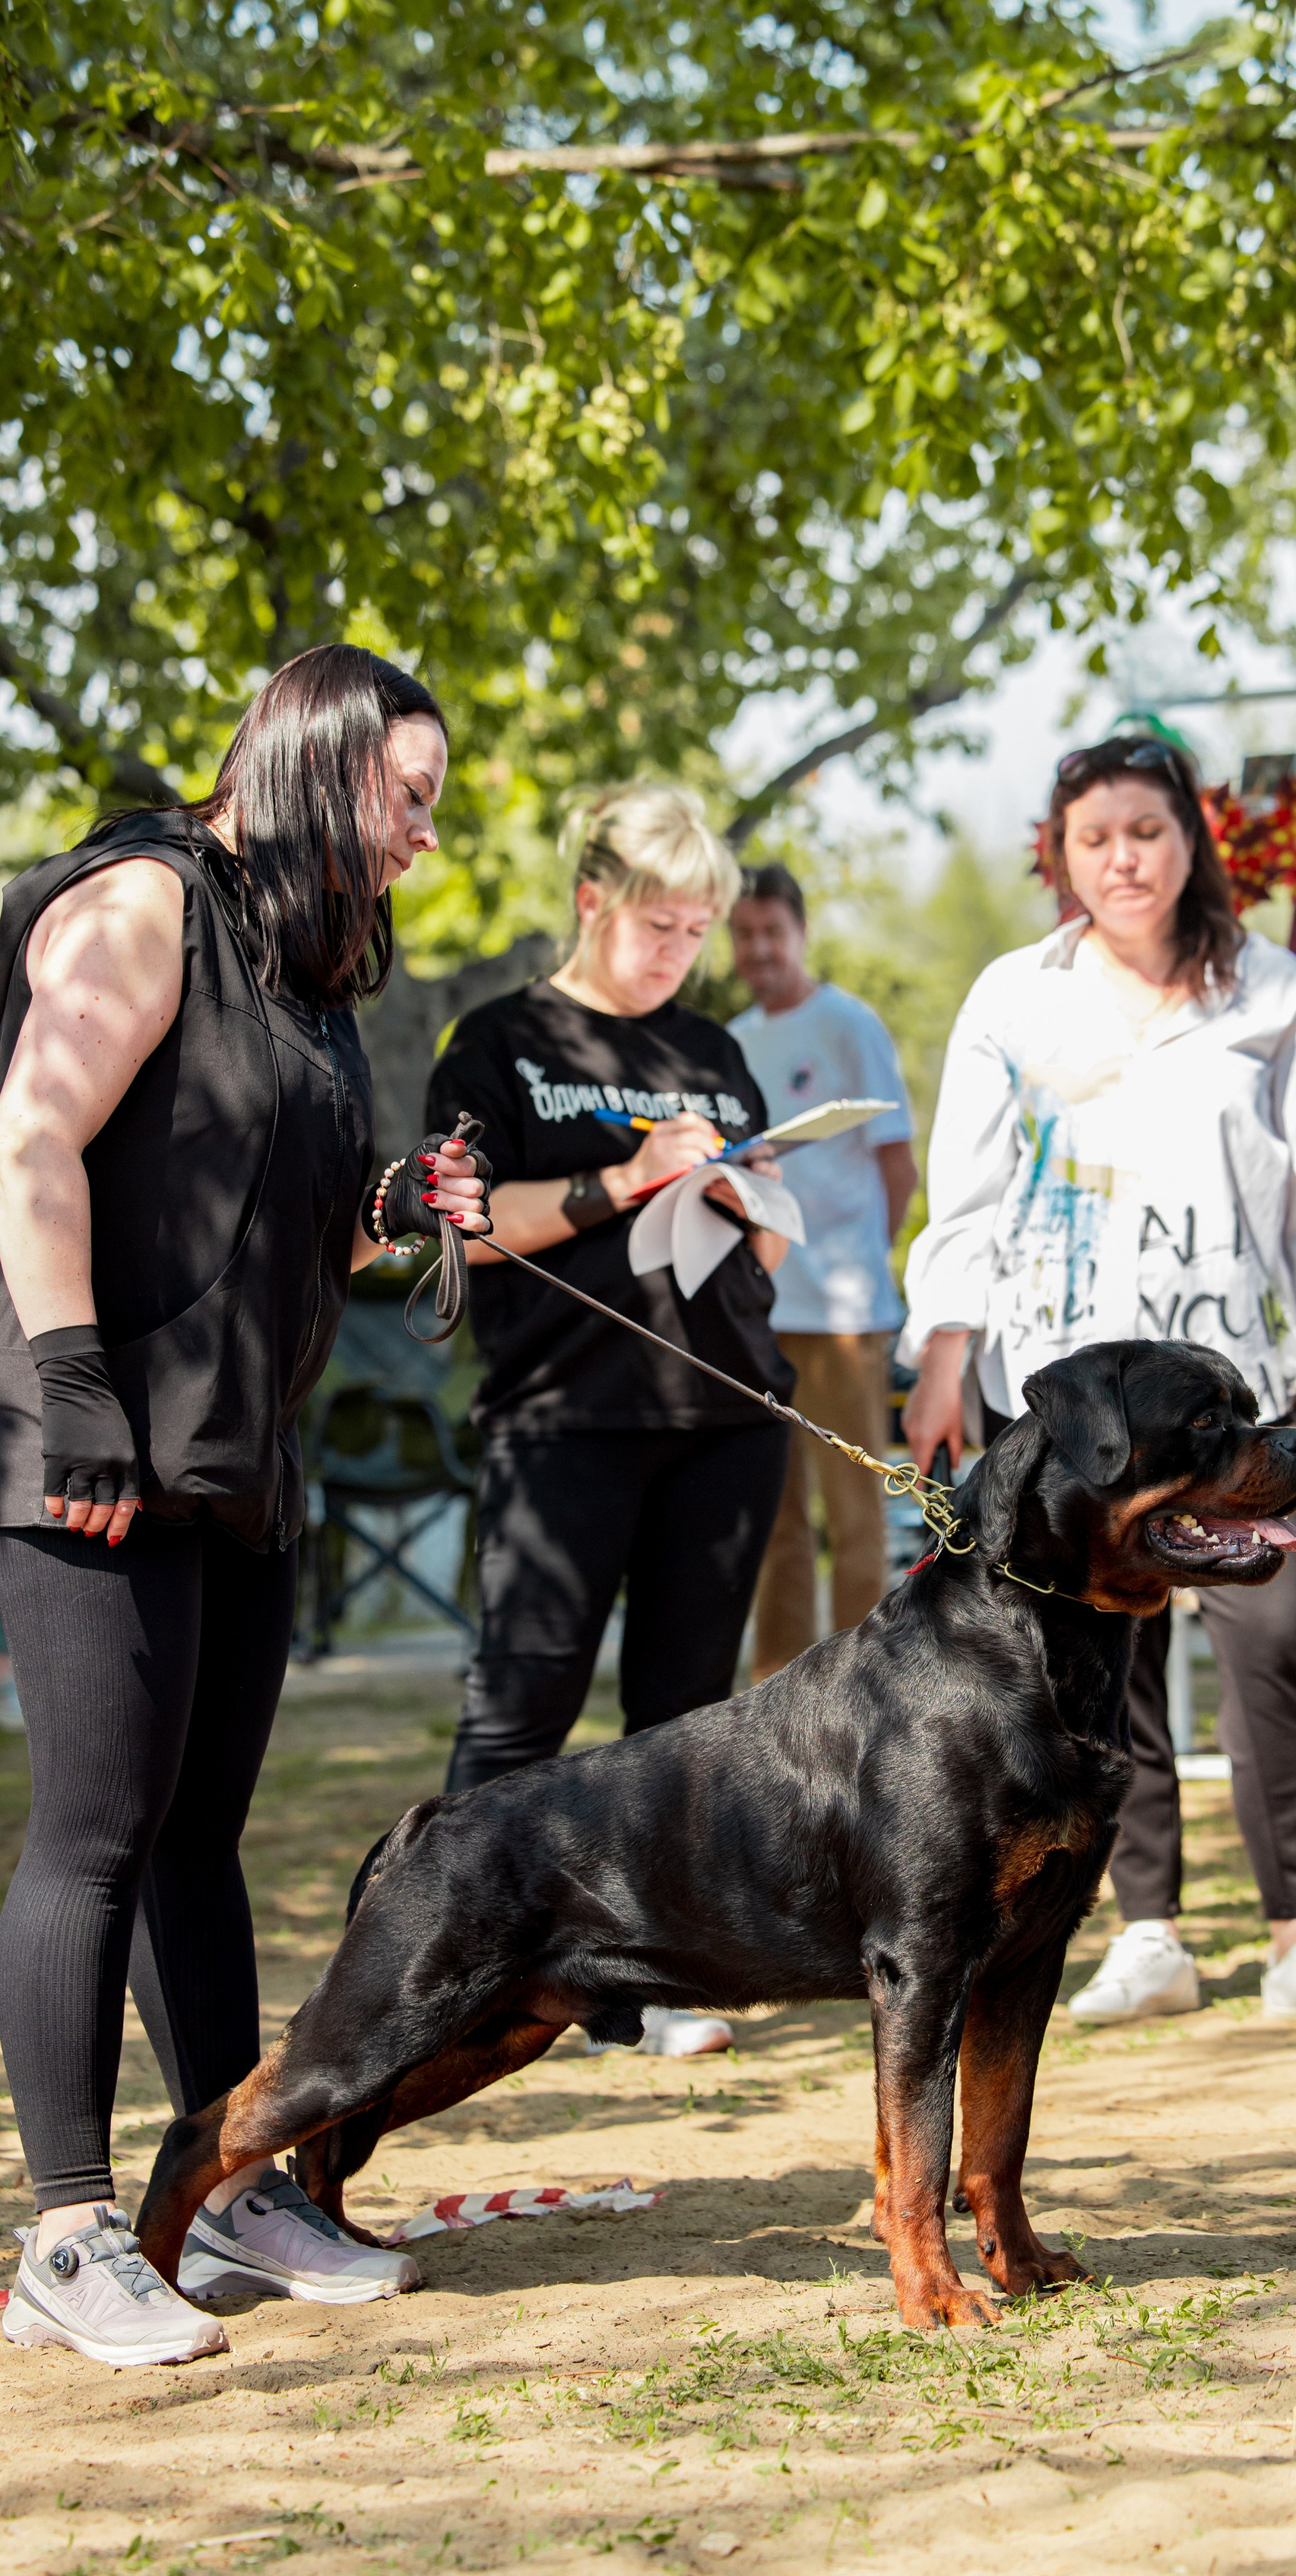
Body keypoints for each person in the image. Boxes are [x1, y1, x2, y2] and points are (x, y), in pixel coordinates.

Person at [0, 646, 490, 2368]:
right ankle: (63, 2230)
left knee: (198, 1838)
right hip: (94, 1440)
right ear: (319, 758)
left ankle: (221, 2186)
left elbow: (282, 1218)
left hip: (237, 1458)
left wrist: (393, 1200)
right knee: (95, 1828)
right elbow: (33, 1140)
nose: (422, 835)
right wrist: (67, 1386)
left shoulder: (302, 965)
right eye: (406, 796)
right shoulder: (145, 901)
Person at [900, 734, 1296, 2033]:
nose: (1122, 858)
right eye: (1094, 838)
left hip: (1235, 1392)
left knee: (1273, 1633)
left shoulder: (1272, 991)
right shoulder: (1015, 997)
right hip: (1073, 1407)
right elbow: (962, 1191)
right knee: (1106, 1661)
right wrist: (943, 1350)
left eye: (1146, 829)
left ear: (1192, 837)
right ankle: (1147, 1928)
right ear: (1060, 855)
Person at [425, 785, 793, 2054]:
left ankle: (641, 1981)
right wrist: (620, 1179)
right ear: (591, 899)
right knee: (524, 1702)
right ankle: (445, 1958)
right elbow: (458, 1232)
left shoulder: (713, 1051)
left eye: (696, 928)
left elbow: (769, 1234)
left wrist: (753, 1200)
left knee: (685, 1712)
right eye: (656, 922)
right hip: (565, 1414)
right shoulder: (500, 1041)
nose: (677, 949)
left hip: (729, 1409)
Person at [727, 865, 917, 1677]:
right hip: (760, 1308)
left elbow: (897, 1163)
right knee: (774, 1521)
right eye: (744, 933)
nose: (760, 948)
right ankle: (780, 1688)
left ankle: (870, 1685)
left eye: (774, 930)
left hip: (843, 1311)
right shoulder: (732, 1039)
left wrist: (863, 1255)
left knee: (854, 1512)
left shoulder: (847, 1023)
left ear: (800, 932)